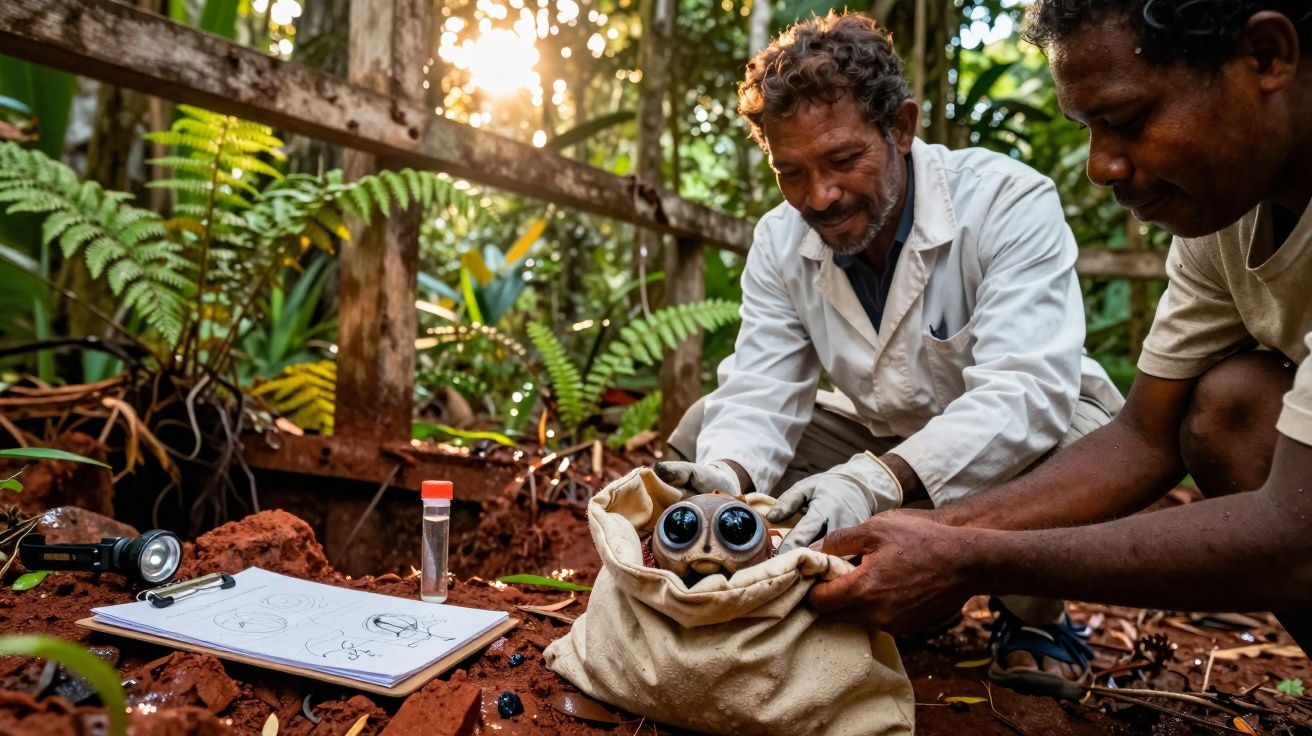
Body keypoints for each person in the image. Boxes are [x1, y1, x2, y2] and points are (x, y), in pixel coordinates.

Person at [808, 0, 1312, 695]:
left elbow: (1298, 534)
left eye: (1127, 121)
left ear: (1265, 58)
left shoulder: (1005, 203)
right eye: (1089, 130)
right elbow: (1143, 438)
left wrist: (969, 558)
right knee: (1233, 408)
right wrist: (933, 533)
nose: (1100, 166)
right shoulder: (1222, 218)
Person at [652, 11, 1122, 695]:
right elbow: (759, 389)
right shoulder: (780, 242)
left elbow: (1026, 393)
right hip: (885, 438)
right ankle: (829, 589)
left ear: (902, 128)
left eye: (844, 160)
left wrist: (874, 481)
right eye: (792, 172)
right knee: (705, 437)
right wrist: (725, 481)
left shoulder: (1006, 199)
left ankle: (1034, 617)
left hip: (1047, 427)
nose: (821, 196)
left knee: (1076, 442)